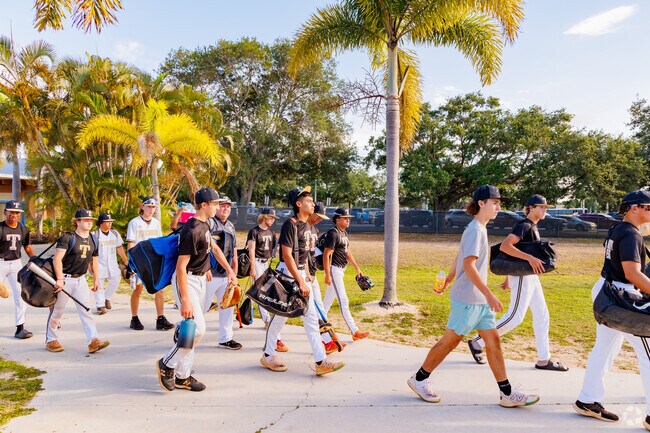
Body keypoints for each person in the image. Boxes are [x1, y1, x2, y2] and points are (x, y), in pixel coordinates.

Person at [407, 185, 540, 407]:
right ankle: (419, 379)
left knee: (494, 341)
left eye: (499, 203)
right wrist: (489, 294)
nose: (498, 207)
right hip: (468, 300)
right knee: (450, 342)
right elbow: (468, 265)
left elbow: (460, 257)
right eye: (495, 203)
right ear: (481, 203)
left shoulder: (479, 228)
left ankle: (506, 393)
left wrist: (449, 278)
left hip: (479, 302)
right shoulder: (475, 230)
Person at [574, 190, 650, 429]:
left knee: (605, 349)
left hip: (607, 291)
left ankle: (588, 399)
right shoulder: (630, 234)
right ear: (633, 208)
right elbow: (632, 273)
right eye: (647, 206)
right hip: (621, 297)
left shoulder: (619, 229)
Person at [468, 195, 568, 371]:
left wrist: (509, 275)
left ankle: (544, 359)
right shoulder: (524, 225)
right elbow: (506, 246)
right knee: (515, 316)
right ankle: (478, 342)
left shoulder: (532, 226)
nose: (545, 210)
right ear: (530, 208)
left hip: (529, 275)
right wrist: (530, 259)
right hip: (523, 276)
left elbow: (518, 250)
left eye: (546, 207)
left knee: (542, 315)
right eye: (541, 207)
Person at [156, 187, 237, 392]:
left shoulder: (205, 224)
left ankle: (183, 376)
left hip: (201, 280)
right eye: (215, 204)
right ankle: (167, 364)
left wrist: (229, 270)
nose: (218, 207)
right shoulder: (192, 229)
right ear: (204, 205)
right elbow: (181, 267)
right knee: (197, 329)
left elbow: (214, 248)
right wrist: (185, 300)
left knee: (191, 331)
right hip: (187, 280)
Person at [261, 186, 344, 375]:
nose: (312, 203)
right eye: (308, 200)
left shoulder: (308, 227)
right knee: (280, 317)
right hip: (289, 276)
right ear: (298, 204)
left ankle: (320, 360)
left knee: (311, 319)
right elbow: (287, 255)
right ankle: (268, 355)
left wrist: (307, 277)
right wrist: (300, 281)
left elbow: (304, 256)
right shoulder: (290, 224)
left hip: (300, 276)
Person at [45, 209, 110, 354]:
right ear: (77, 221)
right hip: (65, 279)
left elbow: (94, 260)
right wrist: (60, 279)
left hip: (81, 280)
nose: (89, 222)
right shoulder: (68, 238)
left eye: (90, 220)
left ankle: (93, 340)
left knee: (86, 310)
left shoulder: (94, 239)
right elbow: (57, 259)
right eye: (85, 220)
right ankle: (50, 340)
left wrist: (95, 279)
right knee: (57, 311)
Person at [126, 196, 174, 331]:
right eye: (149, 206)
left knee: (160, 288)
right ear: (142, 207)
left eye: (153, 207)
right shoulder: (134, 223)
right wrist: (130, 263)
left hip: (154, 260)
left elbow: (159, 241)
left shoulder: (156, 223)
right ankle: (134, 318)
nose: (151, 209)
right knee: (138, 289)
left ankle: (160, 318)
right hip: (139, 259)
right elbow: (131, 242)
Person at [322, 207, 369, 341]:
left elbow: (347, 253)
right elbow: (326, 254)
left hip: (341, 270)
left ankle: (316, 323)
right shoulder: (333, 233)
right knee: (343, 300)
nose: (348, 220)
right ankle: (354, 331)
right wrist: (327, 274)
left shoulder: (344, 234)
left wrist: (357, 269)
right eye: (345, 218)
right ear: (337, 220)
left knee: (327, 302)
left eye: (348, 218)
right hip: (334, 270)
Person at [203, 195, 242, 350]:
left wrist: (234, 270)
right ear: (216, 206)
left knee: (227, 306)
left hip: (225, 274)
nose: (225, 208)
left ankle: (226, 338)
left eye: (228, 206)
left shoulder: (231, 226)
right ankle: (183, 329)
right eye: (222, 205)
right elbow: (203, 248)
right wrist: (205, 267)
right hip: (210, 273)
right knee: (201, 307)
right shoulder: (210, 223)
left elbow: (233, 250)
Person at [247, 208, 287, 350]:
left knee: (268, 290)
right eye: (271, 218)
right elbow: (251, 250)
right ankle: (266, 320)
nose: (273, 221)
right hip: (257, 263)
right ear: (264, 217)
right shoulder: (254, 231)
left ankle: (267, 319)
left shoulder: (271, 232)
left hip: (267, 263)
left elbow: (276, 248)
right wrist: (252, 267)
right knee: (260, 292)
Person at [307, 202, 341, 354]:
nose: (320, 219)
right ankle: (272, 344)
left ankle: (327, 342)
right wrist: (305, 274)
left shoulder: (314, 230)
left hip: (311, 275)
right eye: (318, 216)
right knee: (284, 314)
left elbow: (311, 255)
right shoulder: (299, 228)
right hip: (301, 275)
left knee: (318, 309)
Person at [0, 200, 35, 339]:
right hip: (0, 262)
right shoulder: (0, 228)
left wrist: (34, 258)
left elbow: (27, 246)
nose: (14, 214)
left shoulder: (23, 229)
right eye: (11, 212)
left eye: (17, 212)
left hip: (16, 263)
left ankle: (20, 328)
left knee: (21, 294)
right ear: (5, 212)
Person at [93, 213, 128, 314]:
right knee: (99, 285)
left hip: (112, 264)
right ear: (101, 223)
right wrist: (90, 265)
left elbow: (119, 248)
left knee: (116, 280)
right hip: (99, 264)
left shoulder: (115, 233)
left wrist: (126, 261)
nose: (110, 223)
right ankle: (100, 306)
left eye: (111, 222)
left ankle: (106, 297)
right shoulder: (95, 234)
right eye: (107, 222)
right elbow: (90, 252)